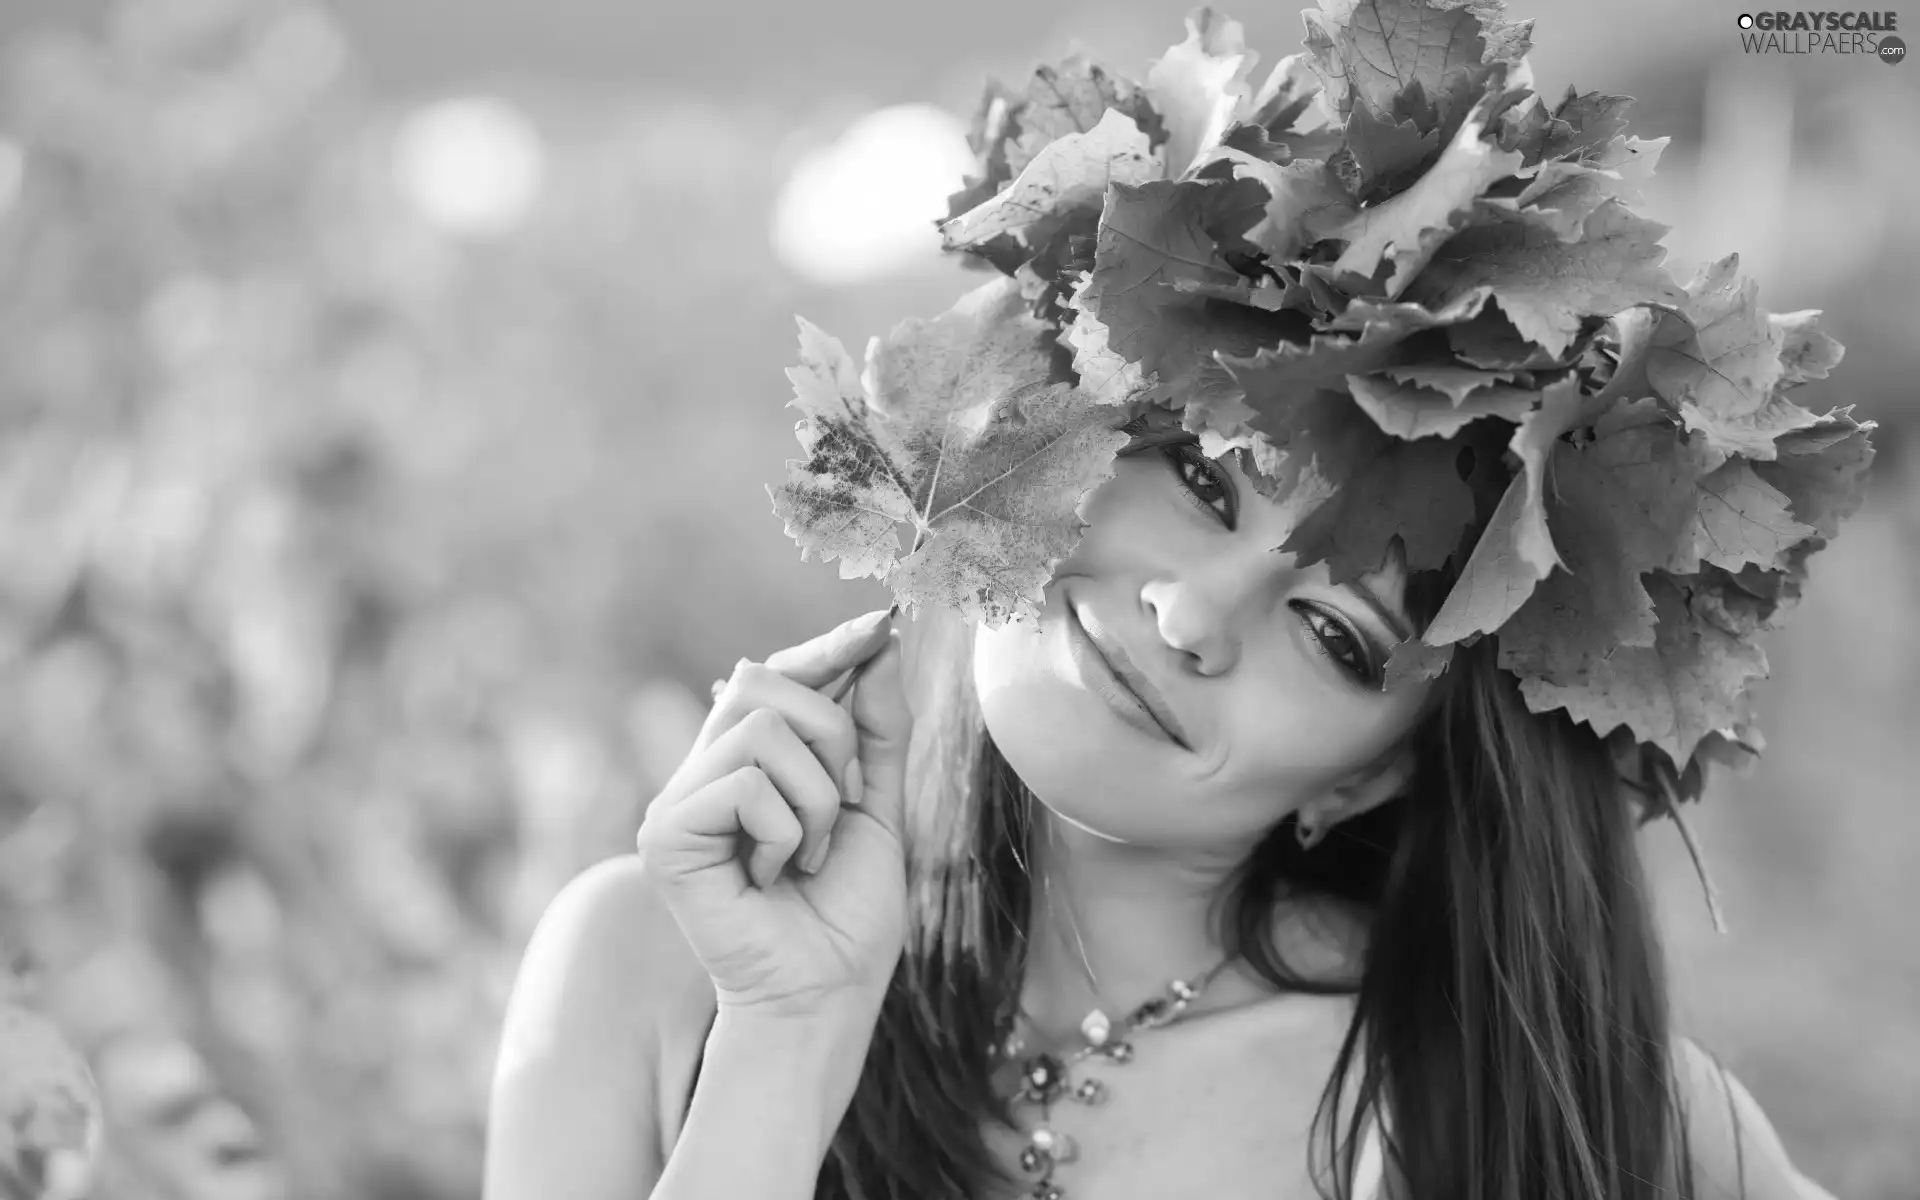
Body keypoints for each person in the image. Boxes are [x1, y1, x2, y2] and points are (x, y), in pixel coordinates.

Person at [480, 414, 1842, 1200]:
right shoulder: (652, 976)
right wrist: (785, 1047)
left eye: (1338, 634)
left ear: (1382, 769)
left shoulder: (1552, 1098)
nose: (1192, 613)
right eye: (1201, 481)